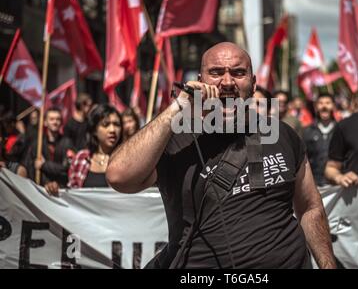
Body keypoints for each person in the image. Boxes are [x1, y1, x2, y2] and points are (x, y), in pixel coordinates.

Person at [106, 42, 336, 269]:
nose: (227, 82)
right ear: (200, 80)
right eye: (216, 73)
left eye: (238, 73)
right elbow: (119, 176)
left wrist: (327, 265)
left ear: (253, 84)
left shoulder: (281, 133)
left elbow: (309, 207)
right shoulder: (175, 138)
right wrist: (179, 105)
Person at [68, 104, 122, 189]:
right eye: (105, 124)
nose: (112, 130)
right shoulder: (81, 158)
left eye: (116, 124)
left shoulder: (126, 159)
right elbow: (72, 194)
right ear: (94, 131)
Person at [24, 107, 74, 195]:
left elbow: (67, 169)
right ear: (45, 122)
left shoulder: (67, 143)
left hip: (61, 191)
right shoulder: (37, 144)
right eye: (51, 119)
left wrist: (44, 164)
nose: (55, 122)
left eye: (58, 119)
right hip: (41, 190)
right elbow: (30, 167)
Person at [303, 93, 336, 186]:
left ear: (333, 106)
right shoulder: (307, 131)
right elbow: (303, 159)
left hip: (336, 185)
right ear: (316, 107)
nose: (324, 106)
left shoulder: (341, 130)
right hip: (314, 184)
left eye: (328, 103)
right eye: (321, 103)